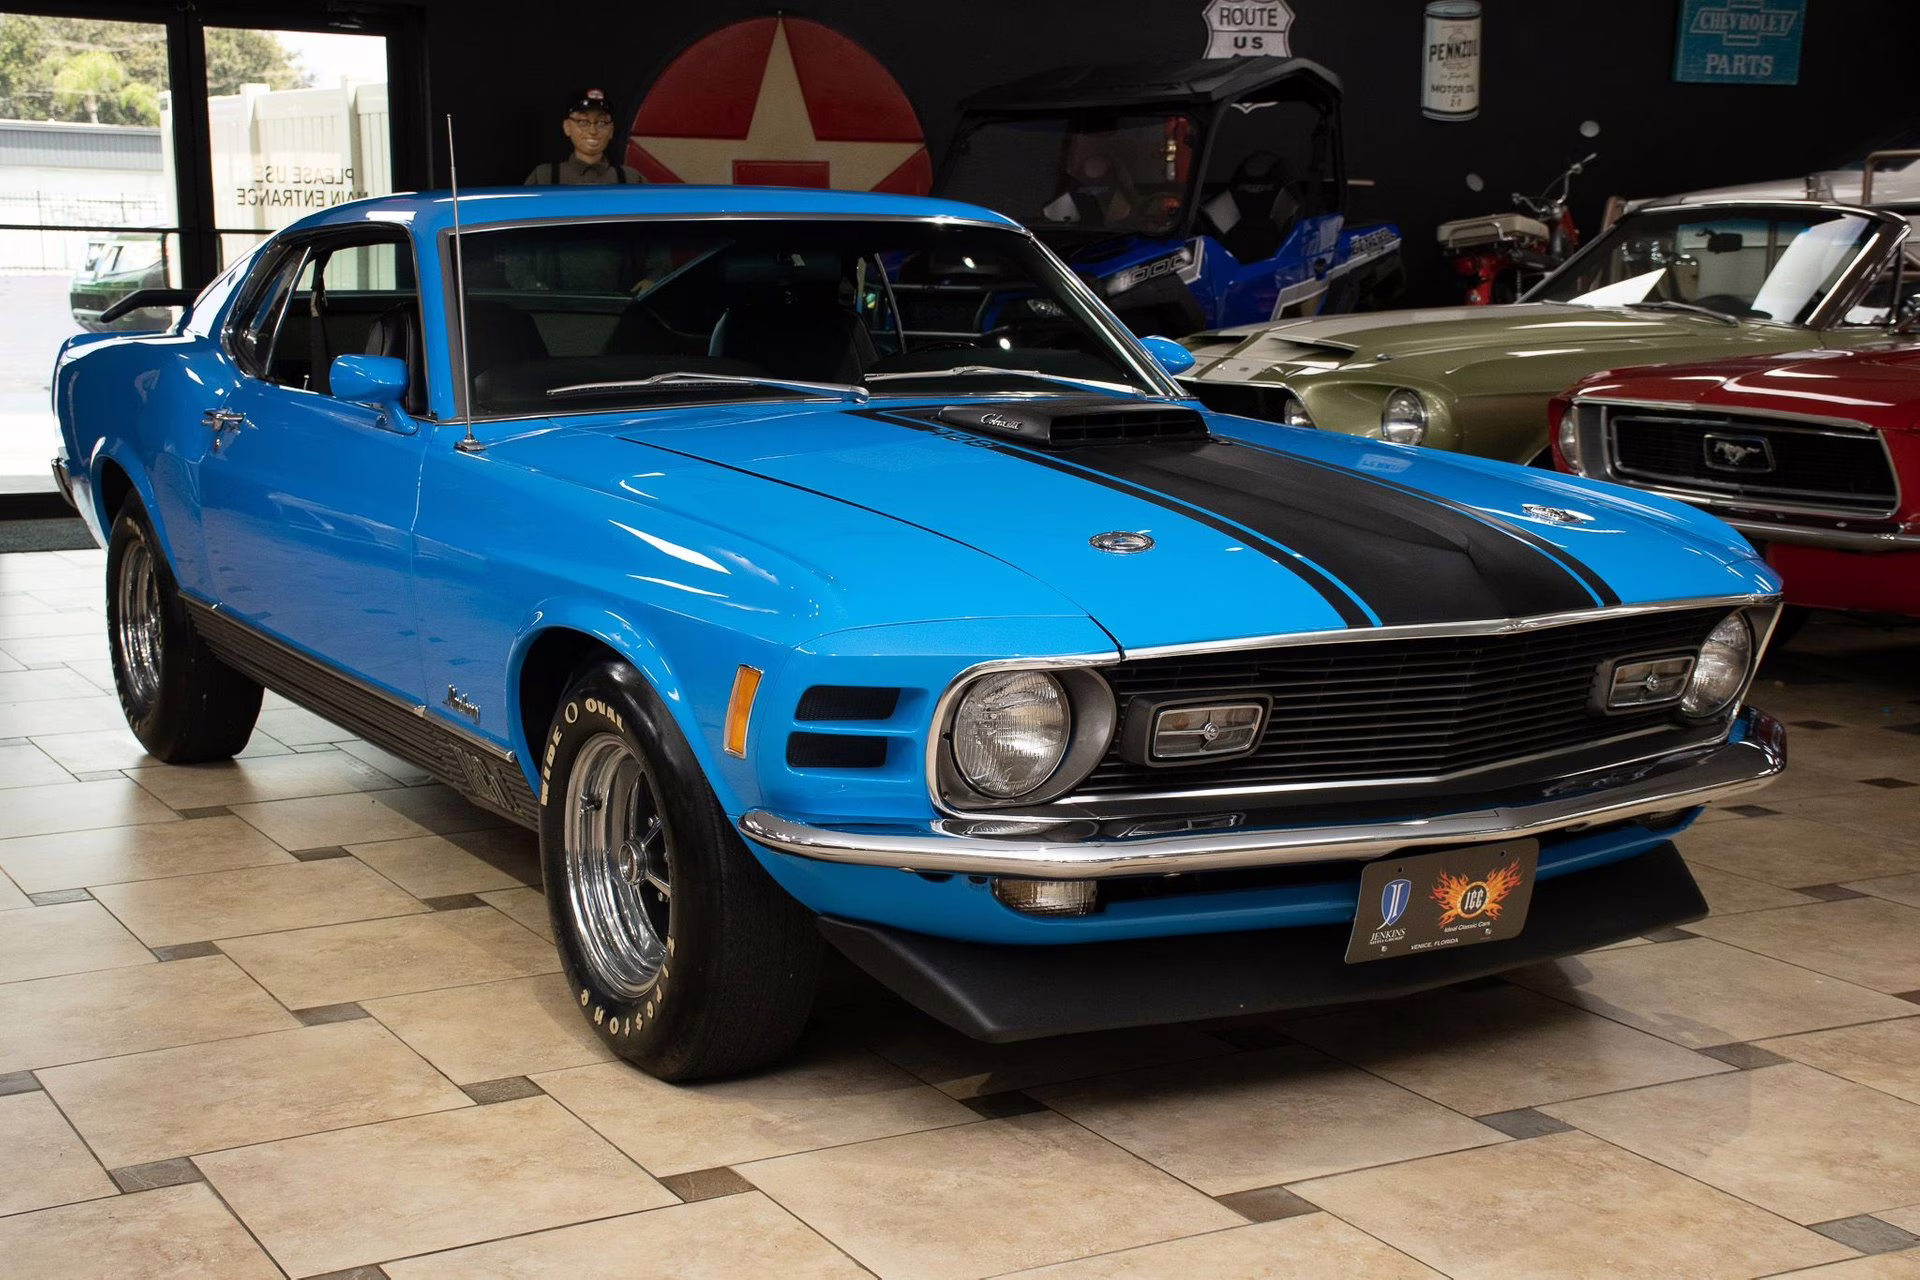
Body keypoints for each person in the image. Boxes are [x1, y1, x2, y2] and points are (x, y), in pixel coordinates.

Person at [524, 88, 642, 185]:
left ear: (611, 130)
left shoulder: (630, 179)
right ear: (567, 127)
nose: (593, 131)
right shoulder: (545, 177)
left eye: (601, 122)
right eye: (583, 122)